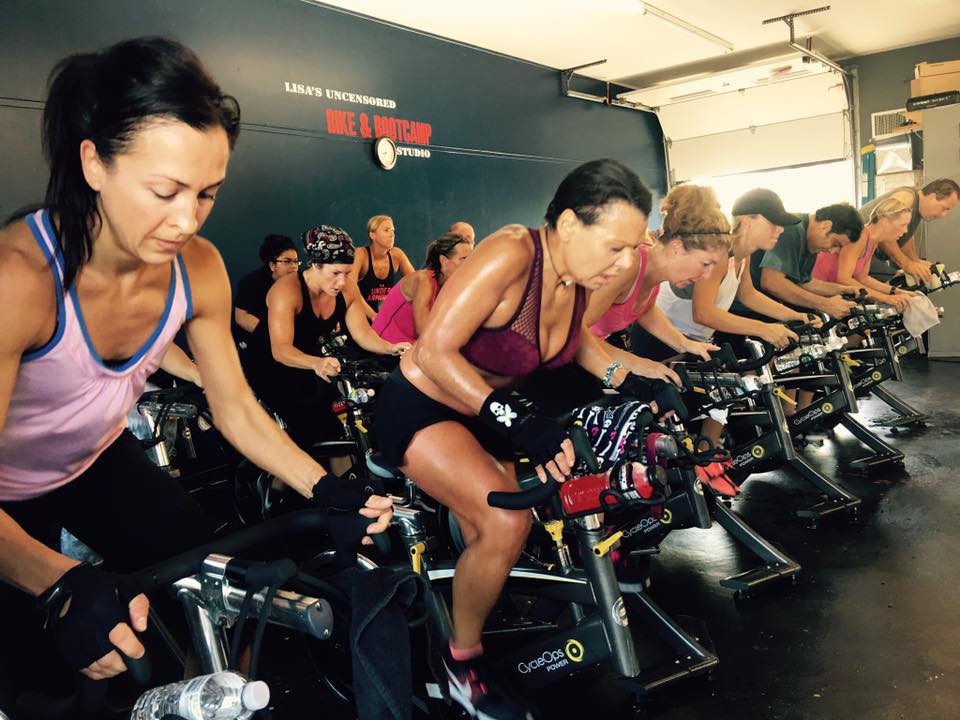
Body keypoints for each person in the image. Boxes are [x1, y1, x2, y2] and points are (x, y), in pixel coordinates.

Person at [0, 37, 392, 705]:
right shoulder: (21, 280)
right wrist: (56, 579)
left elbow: (234, 406)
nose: (186, 219)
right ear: (93, 162)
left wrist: (322, 488)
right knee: (44, 682)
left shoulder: (197, 267)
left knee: (215, 580)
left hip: (94, 462)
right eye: (164, 190)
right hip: (7, 494)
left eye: (207, 193)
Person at [375, 159, 655, 719]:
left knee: (536, 509)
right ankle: (460, 661)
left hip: (489, 409)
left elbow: (579, 347)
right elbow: (431, 350)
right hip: (424, 399)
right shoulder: (510, 253)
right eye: (616, 246)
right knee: (505, 520)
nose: (627, 263)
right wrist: (520, 421)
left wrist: (640, 383)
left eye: (634, 249)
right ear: (570, 224)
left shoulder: (589, 276)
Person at [245, 225, 410, 466]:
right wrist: (317, 363)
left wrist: (390, 347)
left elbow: (362, 333)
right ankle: (286, 483)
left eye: (347, 272)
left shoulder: (346, 289)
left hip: (309, 362)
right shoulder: (287, 291)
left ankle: (345, 491)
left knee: (333, 424)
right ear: (315, 265)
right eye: (335, 273)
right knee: (307, 424)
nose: (342, 281)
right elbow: (280, 349)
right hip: (270, 365)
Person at [597, 184, 731, 366]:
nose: (707, 275)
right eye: (705, 264)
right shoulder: (626, 268)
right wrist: (639, 366)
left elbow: (643, 309)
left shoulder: (652, 273)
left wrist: (686, 344)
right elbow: (573, 335)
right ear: (677, 247)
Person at [739, 202, 863, 319]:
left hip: (765, 307)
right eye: (835, 244)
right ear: (826, 226)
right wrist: (825, 304)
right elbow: (772, 282)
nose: (832, 251)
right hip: (744, 310)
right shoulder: (793, 229)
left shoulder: (811, 241)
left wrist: (842, 290)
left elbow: (804, 282)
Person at [813, 195, 918, 311]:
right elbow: (843, 279)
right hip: (815, 290)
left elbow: (863, 278)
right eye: (903, 225)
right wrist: (885, 298)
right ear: (883, 220)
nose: (905, 231)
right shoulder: (860, 236)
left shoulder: (873, 242)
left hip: (830, 292)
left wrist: (897, 291)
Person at [372, 232, 473, 344]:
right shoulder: (423, 280)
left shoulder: (452, 287)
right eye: (463, 259)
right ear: (443, 261)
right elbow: (423, 331)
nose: (469, 264)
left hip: (409, 351)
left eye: (470, 259)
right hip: (382, 349)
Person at [862, 178, 959, 283]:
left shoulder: (917, 209)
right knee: (894, 284)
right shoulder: (906, 198)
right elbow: (885, 233)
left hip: (870, 252)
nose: (943, 215)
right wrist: (907, 264)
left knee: (902, 282)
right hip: (856, 248)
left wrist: (915, 260)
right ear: (933, 197)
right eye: (945, 208)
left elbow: (906, 238)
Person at [352, 214, 415, 320]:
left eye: (393, 230)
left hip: (385, 318)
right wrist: (372, 315)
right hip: (359, 317)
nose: (392, 234)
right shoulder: (361, 254)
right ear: (373, 235)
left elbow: (417, 283)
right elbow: (350, 288)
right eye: (386, 230)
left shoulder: (397, 255)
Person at [233, 233, 298, 335]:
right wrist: (273, 335)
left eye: (296, 261)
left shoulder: (298, 284)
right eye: (287, 261)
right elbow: (241, 318)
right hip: (254, 339)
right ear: (272, 265)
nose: (294, 267)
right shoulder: (251, 282)